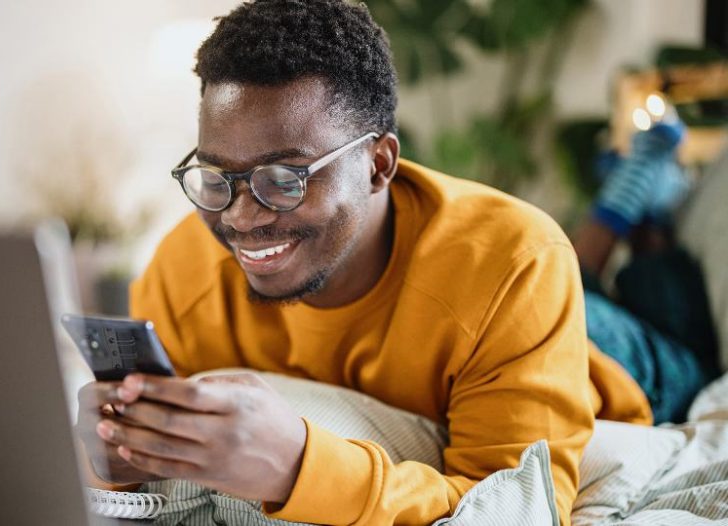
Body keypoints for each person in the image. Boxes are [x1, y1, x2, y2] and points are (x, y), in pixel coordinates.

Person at [75, 1, 651, 524]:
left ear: (379, 164)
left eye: (285, 179)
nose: (241, 218)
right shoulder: (184, 265)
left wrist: (298, 468)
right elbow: (155, 454)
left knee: (645, 294)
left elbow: (515, 510)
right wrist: (119, 458)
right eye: (217, 176)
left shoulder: (514, 262)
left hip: (609, 357)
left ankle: (640, 196)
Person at [573, 119, 720, 424]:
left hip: (641, 360)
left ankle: (641, 199)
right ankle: (645, 207)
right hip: (676, 375)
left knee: (556, 296)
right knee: (559, 295)